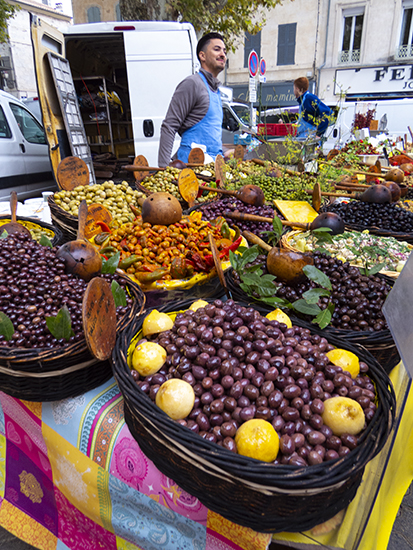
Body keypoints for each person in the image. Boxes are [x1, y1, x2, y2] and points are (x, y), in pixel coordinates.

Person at [158, 32, 227, 167]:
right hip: (191, 168)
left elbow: (210, 138)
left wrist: (225, 152)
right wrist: (163, 169)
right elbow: (169, 126)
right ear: (202, 56)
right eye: (217, 49)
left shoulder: (216, 91)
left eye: (224, 51)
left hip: (212, 168)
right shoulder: (193, 84)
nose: (223, 54)